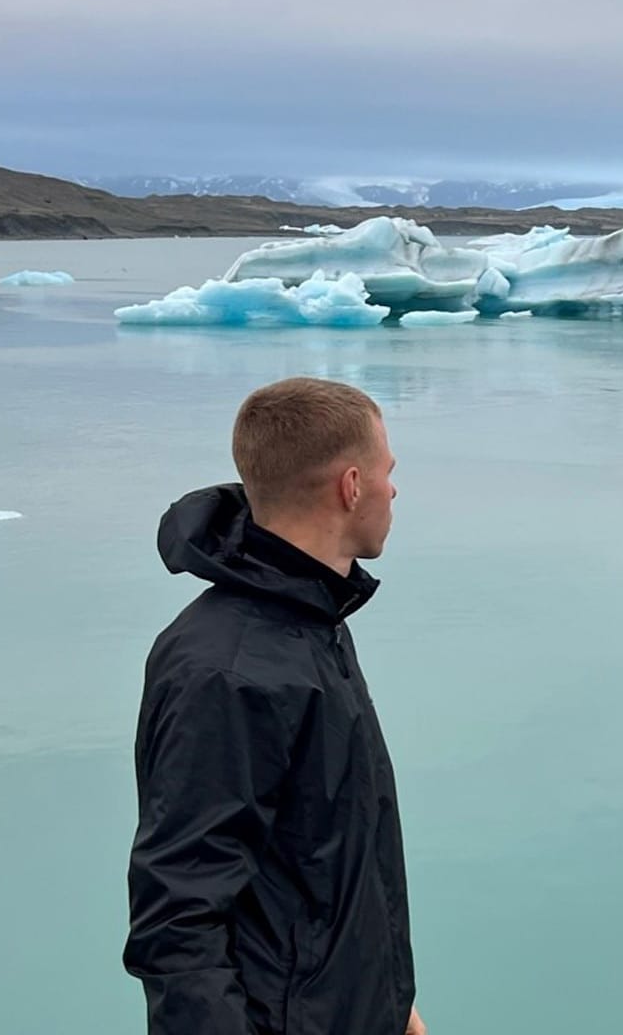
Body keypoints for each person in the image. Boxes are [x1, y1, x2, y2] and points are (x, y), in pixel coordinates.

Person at [124, 377, 423, 1035]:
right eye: (386, 472)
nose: (392, 490)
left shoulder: (311, 621)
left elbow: (322, 855)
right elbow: (178, 926)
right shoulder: (230, 672)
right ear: (350, 486)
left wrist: (390, 1003)